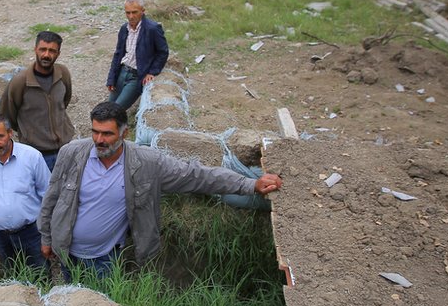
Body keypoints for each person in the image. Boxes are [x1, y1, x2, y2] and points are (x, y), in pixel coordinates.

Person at [39, 102, 282, 280]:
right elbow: (52, 197)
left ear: (125, 133)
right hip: (67, 251)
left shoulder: (147, 164)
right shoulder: (71, 153)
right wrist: (47, 238)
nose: (99, 139)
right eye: (95, 131)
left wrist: (250, 184)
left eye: (107, 133)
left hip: (106, 260)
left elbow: (196, 176)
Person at [0, 114, 51, 276]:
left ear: (10, 133)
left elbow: (47, 194)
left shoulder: (32, 157)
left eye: (0, 137)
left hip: (32, 232)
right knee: (12, 277)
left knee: (41, 274)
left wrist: (48, 232)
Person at [0, 31, 75, 171]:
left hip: (65, 148)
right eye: (42, 49)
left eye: (52, 50)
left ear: (58, 53)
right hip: (37, 153)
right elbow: (7, 114)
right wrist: (28, 133)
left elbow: (64, 102)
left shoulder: (63, 74)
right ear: (35, 50)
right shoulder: (20, 82)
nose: (46, 55)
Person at [106, 0, 170, 110]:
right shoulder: (124, 29)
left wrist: (152, 72)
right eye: (128, 13)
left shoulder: (152, 29)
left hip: (137, 76)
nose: (131, 16)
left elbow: (163, 52)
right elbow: (118, 54)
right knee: (108, 107)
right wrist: (111, 78)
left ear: (142, 11)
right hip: (122, 71)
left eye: (134, 12)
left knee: (117, 110)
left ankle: (120, 127)